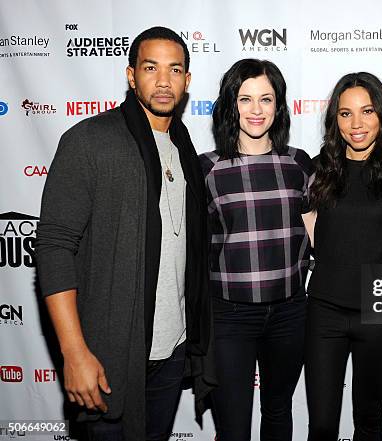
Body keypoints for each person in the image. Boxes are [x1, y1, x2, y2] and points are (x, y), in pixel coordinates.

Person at [36, 27, 214, 441]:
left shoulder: (183, 146)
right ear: (131, 75)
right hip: (108, 356)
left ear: (188, 81)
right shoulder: (90, 140)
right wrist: (74, 351)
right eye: (151, 68)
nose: (164, 81)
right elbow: (55, 246)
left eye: (175, 70)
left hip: (170, 352)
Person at [303, 72, 382, 441]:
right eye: (345, 113)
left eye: (367, 111)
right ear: (334, 120)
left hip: (379, 312)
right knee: (321, 425)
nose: (357, 124)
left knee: (368, 421)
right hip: (324, 310)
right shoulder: (318, 168)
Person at [199, 58, 311, 441]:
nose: (256, 109)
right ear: (231, 105)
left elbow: (323, 235)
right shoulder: (207, 169)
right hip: (229, 316)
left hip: (290, 312)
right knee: (233, 426)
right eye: (245, 99)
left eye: (266, 99)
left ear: (278, 105)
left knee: (278, 412)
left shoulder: (298, 163)